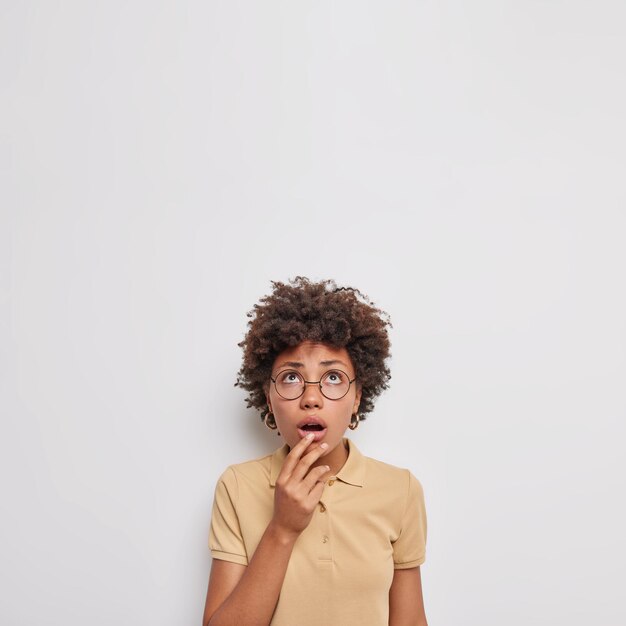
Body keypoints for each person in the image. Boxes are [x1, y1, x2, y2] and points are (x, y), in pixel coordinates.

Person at [202, 277, 428, 626]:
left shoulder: (401, 489)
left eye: (333, 377)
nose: (311, 398)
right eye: (291, 377)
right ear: (268, 397)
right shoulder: (237, 486)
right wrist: (283, 528)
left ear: (357, 398)